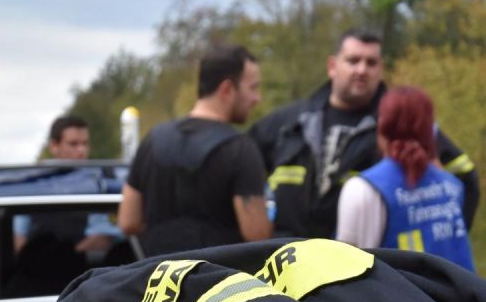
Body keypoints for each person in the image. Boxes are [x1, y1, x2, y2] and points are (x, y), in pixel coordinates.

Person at [250, 29, 479, 240]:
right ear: (332, 66)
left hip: (359, 272)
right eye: (353, 61)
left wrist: (446, 235)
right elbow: (236, 172)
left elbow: (464, 177)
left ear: (381, 70)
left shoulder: (400, 125)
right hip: (283, 267)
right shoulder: (290, 122)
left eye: (371, 63)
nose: (362, 70)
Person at [117, 44, 271, 255]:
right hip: (220, 281)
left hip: (158, 280)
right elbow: (257, 236)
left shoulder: (152, 141)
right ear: (227, 89)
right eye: (252, 88)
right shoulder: (240, 150)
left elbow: (128, 221)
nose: (257, 98)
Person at [336, 87, 474, 270]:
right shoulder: (452, 186)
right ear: (431, 130)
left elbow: (344, 268)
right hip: (453, 298)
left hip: (393, 297)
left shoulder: (362, 189)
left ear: (382, 124)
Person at [14, 115, 120, 254]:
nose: (81, 150)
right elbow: (18, 236)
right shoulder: (34, 184)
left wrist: (70, 258)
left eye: (85, 143)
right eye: (73, 144)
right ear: (54, 146)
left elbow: (103, 235)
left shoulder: (101, 183)